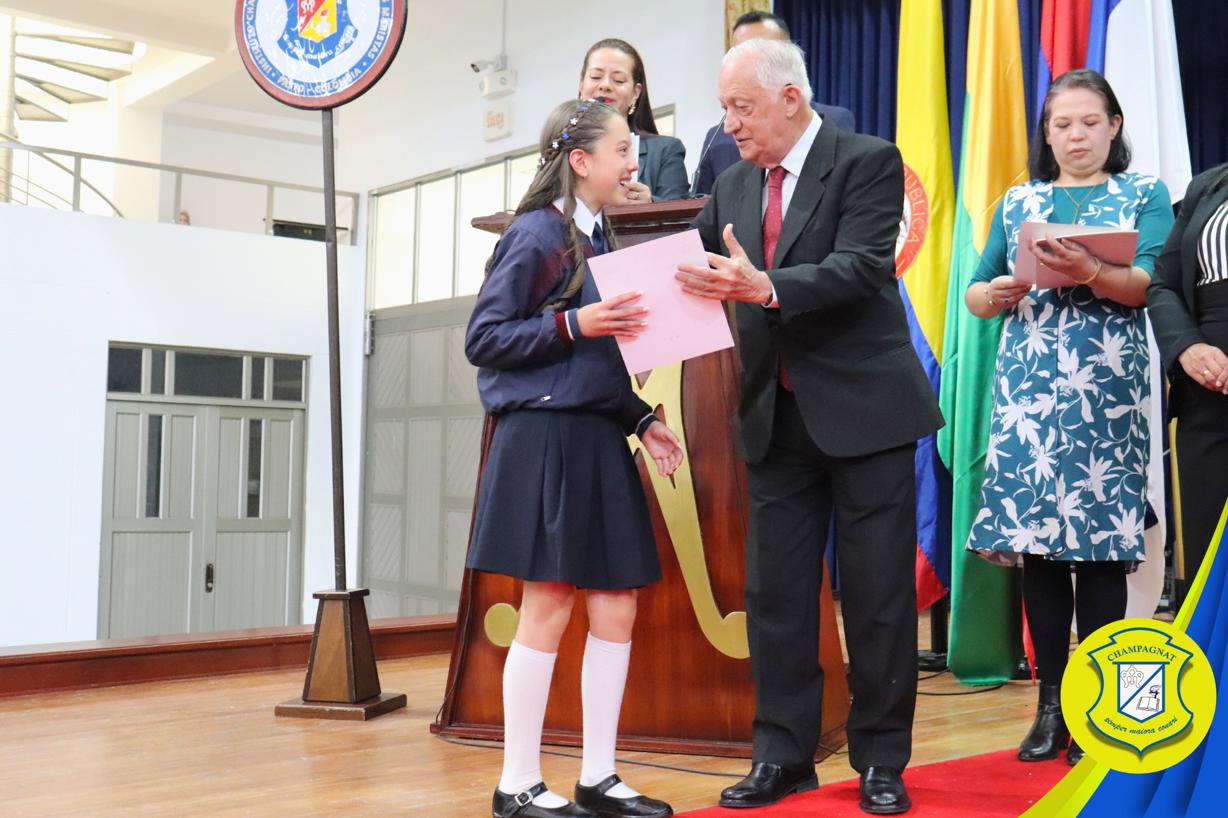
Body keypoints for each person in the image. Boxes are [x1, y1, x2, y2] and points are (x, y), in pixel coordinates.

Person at [676, 38, 942, 815]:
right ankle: (782, 756)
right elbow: (693, 270)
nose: (729, 125)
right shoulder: (731, 184)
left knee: (879, 596)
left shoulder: (867, 161)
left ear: (790, 98)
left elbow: (862, 266)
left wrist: (764, 289)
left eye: (741, 108)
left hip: (865, 412)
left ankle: (881, 760)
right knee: (777, 597)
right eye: (725, 109)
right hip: (775, 416)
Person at [465, 98, 683, 818]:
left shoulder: (597, 237)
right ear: (581, 161)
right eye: (623, 151)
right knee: (550, 602)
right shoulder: (536, 234)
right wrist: (573, 322)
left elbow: (594, 367)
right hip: (545, 440)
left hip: (596, 436)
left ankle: (599, 778)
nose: (634, 163)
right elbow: (484, 339)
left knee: (617, 604)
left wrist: (641, 420)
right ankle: (517, 784)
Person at [962, 69, 1174, 766]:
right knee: (1040, 550)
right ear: (1046, 134)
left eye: (1089, 122)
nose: (1076, 136)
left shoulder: (1143, 194)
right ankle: (1051, 707)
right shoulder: (1020, 200)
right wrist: (997, 292)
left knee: (1101, 548)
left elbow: (1145, 286)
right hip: (1029, 398)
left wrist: (1088, 270)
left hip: (1107, 396)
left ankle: (1096, 707)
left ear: (1114, 126)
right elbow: (976, 293)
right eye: (1062, 125)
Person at [1147, 162, 1228, 605]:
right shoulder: (1208, 186)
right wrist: (1187, 347)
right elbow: (1163, 285)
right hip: (1205, 389)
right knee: (1206, 553)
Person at [691, 11, 856, 197]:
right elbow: (699, 205)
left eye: (761, 50)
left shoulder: (835, 124)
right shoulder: (718, 141)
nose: (730, 126)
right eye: (740, 51)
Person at [577, 39, 688, 202]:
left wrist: (651, 205)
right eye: (596, 77)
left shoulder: (665, 151)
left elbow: (683, 213)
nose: (605, 85)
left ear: (636, 92)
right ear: (581, 85)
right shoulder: (558, 149)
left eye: (618, 80)